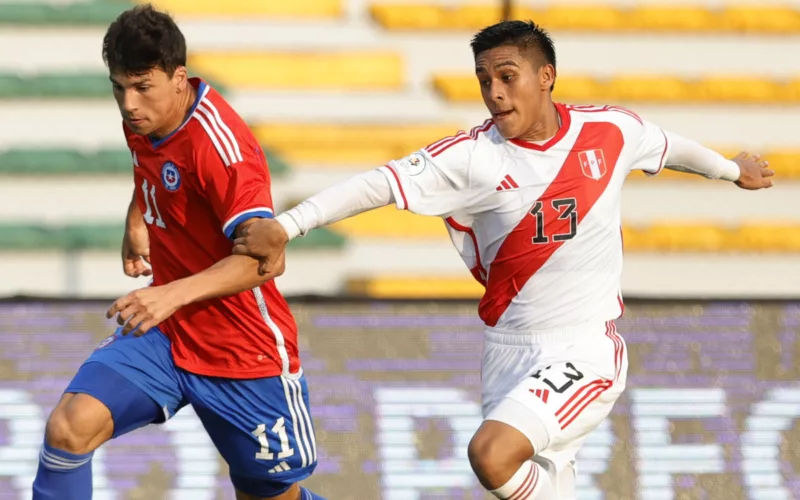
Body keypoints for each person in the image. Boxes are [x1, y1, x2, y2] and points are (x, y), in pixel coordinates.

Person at [231, 20, 774, 500]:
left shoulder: (610, 130)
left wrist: (729, 170)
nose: (494, 93)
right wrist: (287, 225)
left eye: (507, 76)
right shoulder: (472, 158)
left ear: (546, 76)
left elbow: (670, 146)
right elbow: (378, 185)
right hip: (507, 349)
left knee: (491, 455)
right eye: (484, 80)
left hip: (585, 346)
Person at [31, 5, 325, 500]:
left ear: (178, 78)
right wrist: (138, 214)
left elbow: (263, 260)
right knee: (69, 427)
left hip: (241, 350)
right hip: (167, 334)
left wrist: (168, 295)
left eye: (141, 86)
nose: (128, 103)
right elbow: (152, 164)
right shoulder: (146, 116)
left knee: (268, 495)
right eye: (118, 87)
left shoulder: (224, 149)